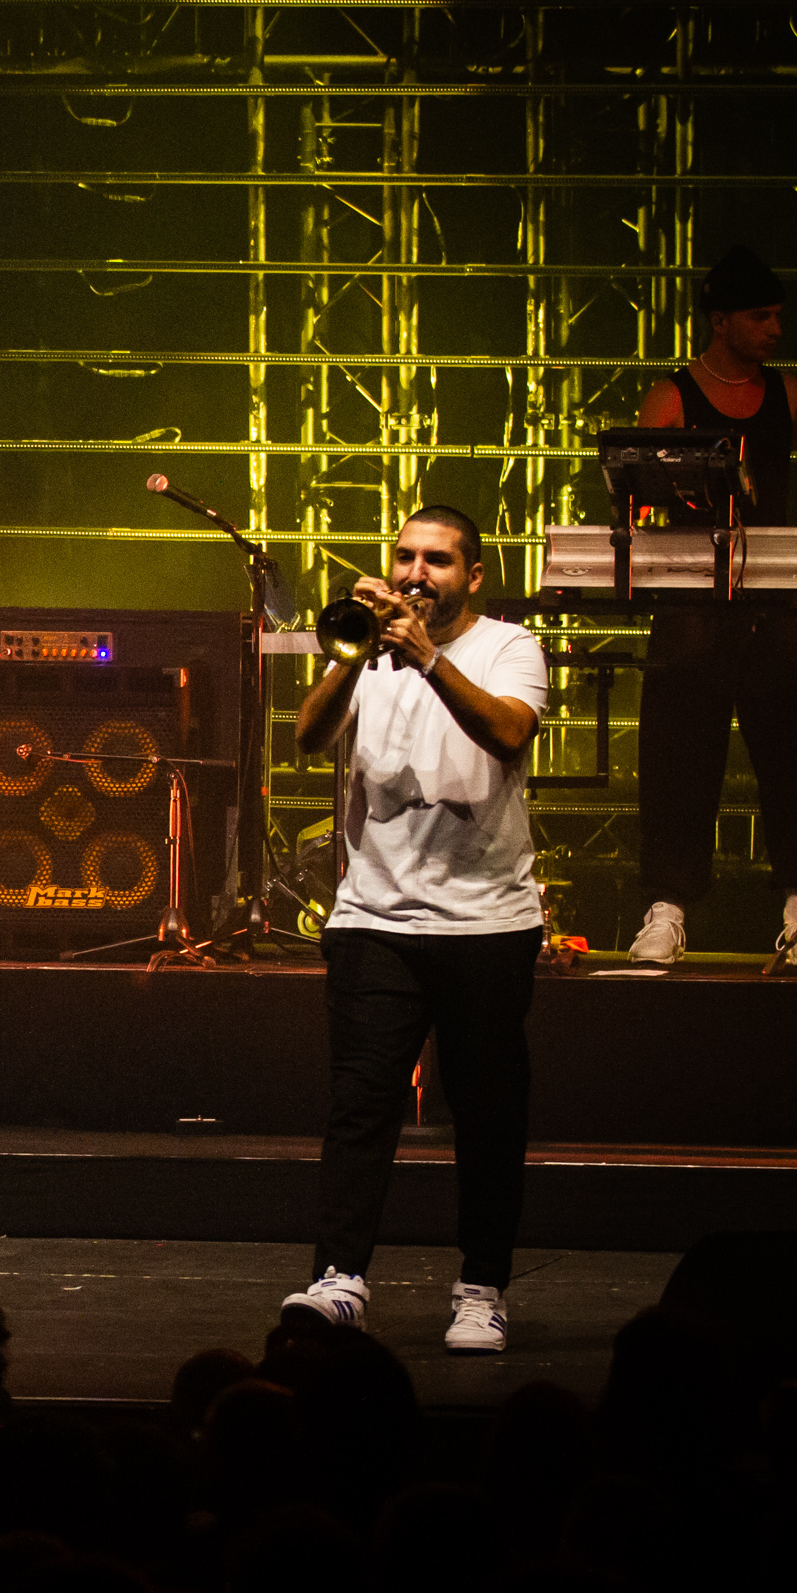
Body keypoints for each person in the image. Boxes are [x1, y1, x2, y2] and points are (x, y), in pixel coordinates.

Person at [281, 505, 547, 1354]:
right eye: (404, 557)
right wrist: (352, 654)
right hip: (374, 917)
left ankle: (481, 1290)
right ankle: (339, 1277)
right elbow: (305, 737)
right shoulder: (370, 650)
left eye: (437, 560)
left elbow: (506, 734)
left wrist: (426, 658)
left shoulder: (507, 646)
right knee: (360, 1106)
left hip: (486, 921)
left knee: (488, 1113)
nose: (415, 573)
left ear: (472, 575)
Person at [628, 243, 797, 967]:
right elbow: (634, 485)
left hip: (777, 603)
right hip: (694, 606)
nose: (773, 329)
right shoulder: (672, 394)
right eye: (760, 317)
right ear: (721, 320)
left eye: (777, 317)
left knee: (795, 756)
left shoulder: (790, 394)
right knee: (678, 759)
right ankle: (666, 911)